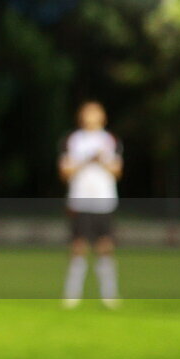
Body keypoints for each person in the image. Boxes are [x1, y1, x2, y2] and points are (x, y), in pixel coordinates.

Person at [58, 100, 123, 308]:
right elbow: (65, 171)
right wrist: (86, 160)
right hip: (80, 200)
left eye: (95, 112)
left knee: (105, 246)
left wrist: (102, 160)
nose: (91, 115)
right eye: (88, 111)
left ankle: (109, 294)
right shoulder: (73, 140)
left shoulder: (110, 140)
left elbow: (117, 171)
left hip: (103, 201)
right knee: (78, 247)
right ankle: (72, 294)